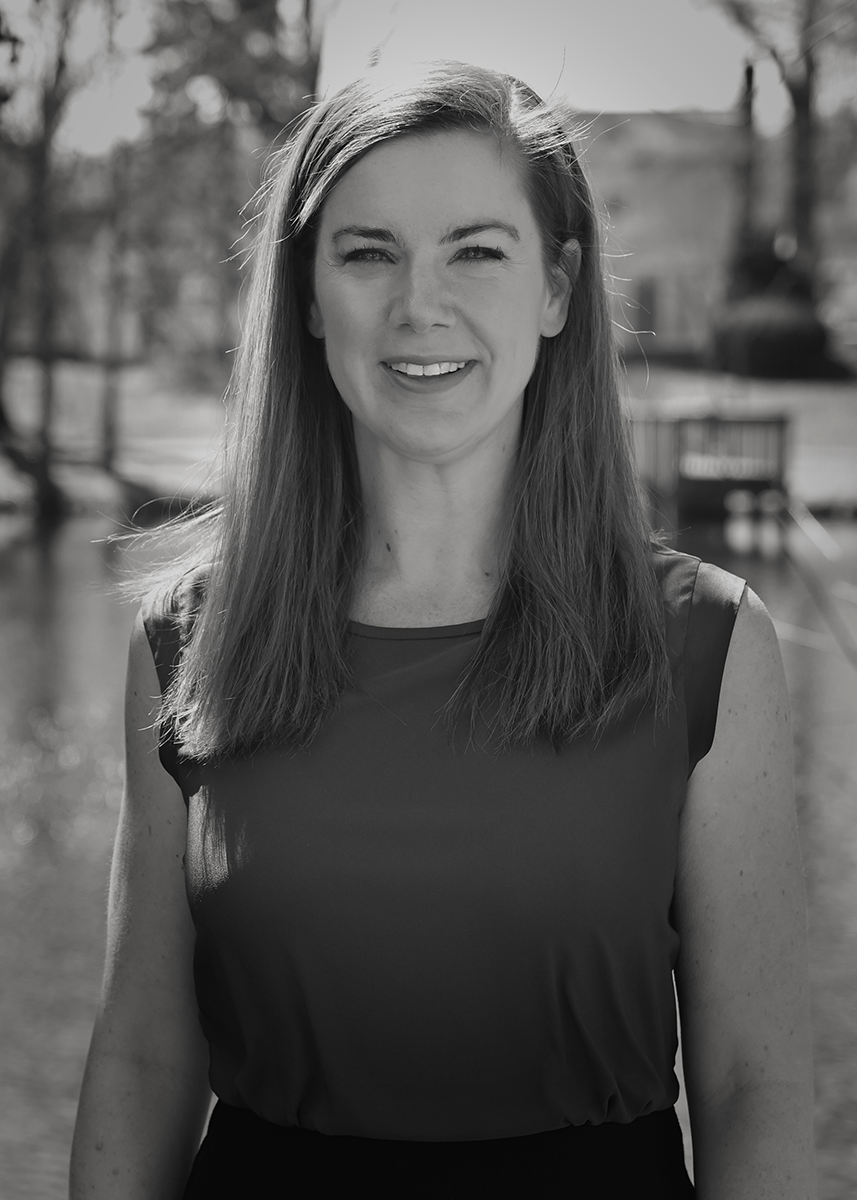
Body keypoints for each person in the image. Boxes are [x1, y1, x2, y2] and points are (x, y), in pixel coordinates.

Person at [70, 62, 816, 1198]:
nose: (421, 305)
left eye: (476, 251)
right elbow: (141, 1057)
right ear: (307, 297)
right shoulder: (186, 644)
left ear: (556, 288)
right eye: (368, 254)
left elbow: (751, 1082)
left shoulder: (704, 644)